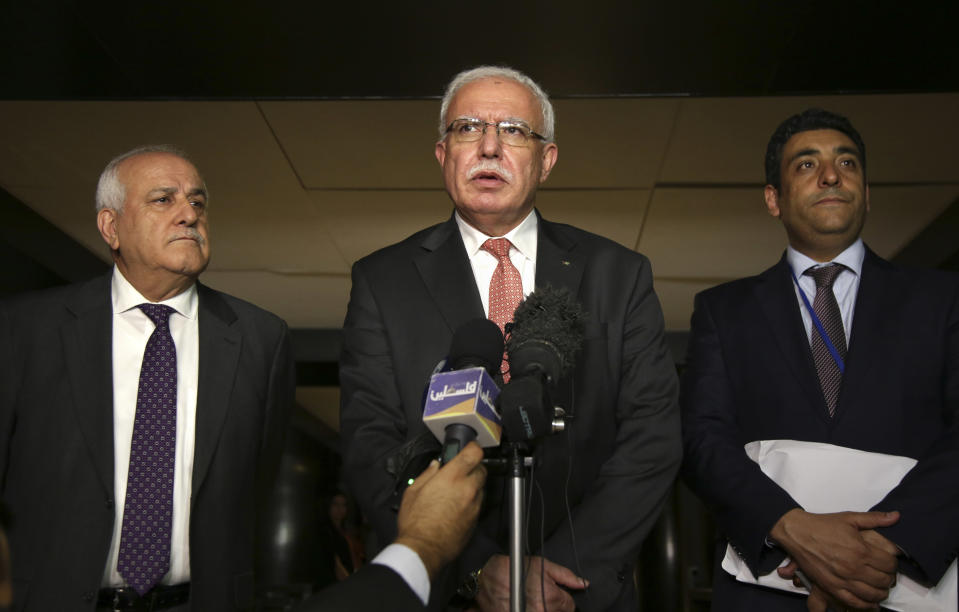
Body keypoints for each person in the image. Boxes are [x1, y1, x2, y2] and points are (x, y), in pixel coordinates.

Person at [339, 65, 682, 611]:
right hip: (444, 589)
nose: (490, 147)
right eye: (468, 128)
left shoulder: (619, 274)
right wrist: (474, 567)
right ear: (442, 154)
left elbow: (652, 439)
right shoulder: (382, 280)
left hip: (581, 591)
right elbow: (371, 445)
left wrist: (565, 574)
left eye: (515, 130)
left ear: (545, 160)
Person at [681, 108, 959, 611]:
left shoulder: (944, 300)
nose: (831, 175)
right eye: (806, 165)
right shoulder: (724, 311)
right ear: (774, 199)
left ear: (867, 193)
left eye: (847, 162)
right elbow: (702, 440)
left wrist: (876, 549)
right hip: (770, 586)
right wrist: (792, 527)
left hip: (906, 583)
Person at [0, 145, 294, 611]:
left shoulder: (261, 339)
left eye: (197, 202)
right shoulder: (25, 331)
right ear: (111, 227)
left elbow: (255, 484)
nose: (189, 214)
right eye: (163, 200)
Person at [297, 441, 487, 612]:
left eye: (343, 505)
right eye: (335, 505)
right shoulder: (325, 535)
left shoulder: (348, 534)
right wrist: (425, 542)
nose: (340, 510)